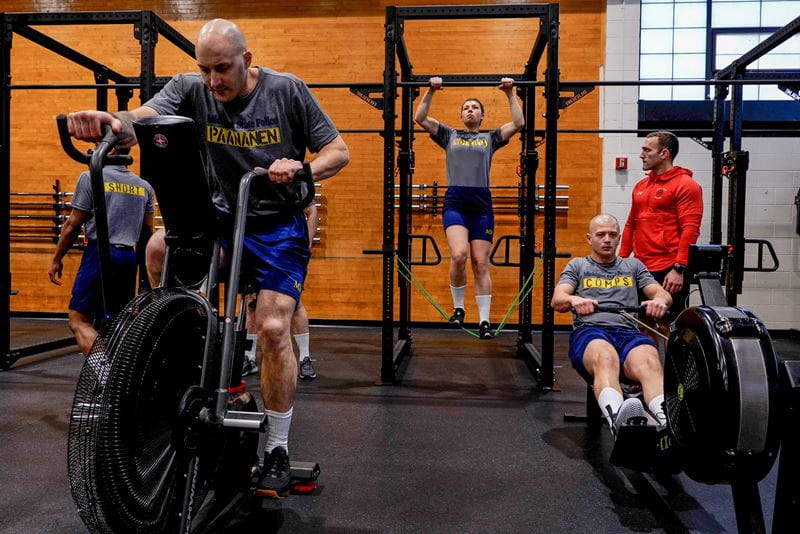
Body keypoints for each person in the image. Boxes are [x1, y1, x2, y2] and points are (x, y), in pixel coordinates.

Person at [66, 19, 349, 492]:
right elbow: (143, 118)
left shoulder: (287, 91)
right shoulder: (189, 89)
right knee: (158, 247)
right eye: (205, 69)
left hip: (277, 224)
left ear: (247, 61)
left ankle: (277, 447)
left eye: (223, 69)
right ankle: (186, 351)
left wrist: (300, 167)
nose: (213, 80)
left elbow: (338, 151)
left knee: (275, 328)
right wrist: (113, 123)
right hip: (220, 220)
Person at [414, 76, 524, 339]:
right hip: (455, 201)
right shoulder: (449, 134)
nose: (470, 110)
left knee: (481, 263)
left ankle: (484, 321)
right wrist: (430, 90)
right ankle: (459, 309)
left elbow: (519, 123)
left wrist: (510, 93)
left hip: (481, 204)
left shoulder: (491, 138)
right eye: (466, 108)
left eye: (475, 108)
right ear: (461, 115)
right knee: (460, 255)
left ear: (482, 116)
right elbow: (420, 117)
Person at [551, 214, 672, 438]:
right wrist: (574, 300)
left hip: (627, 333)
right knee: (606, 357)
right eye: (601, 235)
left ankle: (667, 425)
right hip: (590, 332)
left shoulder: (632, 266)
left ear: (619, 239)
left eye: (612, 235)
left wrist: (660, 302)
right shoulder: (578, 265)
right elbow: (558, 299)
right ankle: (619, 424)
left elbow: (660, 293)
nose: (607, 239)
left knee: (649, 360)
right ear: (589, 239)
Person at [48, 148, 154, 358]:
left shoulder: (91, 177)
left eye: (99, 143)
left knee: (78, 320)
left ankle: (105, 376)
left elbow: (72, 225)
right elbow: (147, 235)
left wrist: (56, 258)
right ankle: (122, 377)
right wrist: (145, 279)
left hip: (99, 254)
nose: (94, 149)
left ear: (111, 148)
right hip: (128, 258)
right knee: (118, 320)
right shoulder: (144, 186)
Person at [619, 131, 703, 320]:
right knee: (642, 323)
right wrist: (621, 261)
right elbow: (631, 224)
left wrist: (679, 268)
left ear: (664, 153)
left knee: (668, 325)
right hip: (641, 267)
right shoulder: (641, 186)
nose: (642, 155)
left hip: (668, 267)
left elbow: (690, 229)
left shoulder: (686, 185)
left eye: (647, 150)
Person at [242, 203, 318, 380]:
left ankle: (305, 358)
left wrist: (305, 245)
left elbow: (312, 211)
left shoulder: (286, 183)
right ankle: (250, 357)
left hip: (283, 251)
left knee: (295, 305)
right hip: (255, 248)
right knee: (253, 302)